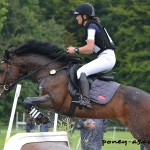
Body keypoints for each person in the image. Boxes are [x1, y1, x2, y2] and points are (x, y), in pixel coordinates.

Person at [67, 3, 116, 109]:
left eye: (78, 15)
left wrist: (75, 49)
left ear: (84, 16)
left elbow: (89, 48)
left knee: (81, 72)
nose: (76, 17)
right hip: (106, 57)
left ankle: (86, 100)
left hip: (106, 58)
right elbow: (89, 51)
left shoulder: (91, 26)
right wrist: (75, 51)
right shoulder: (92, 25)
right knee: (82, 69)